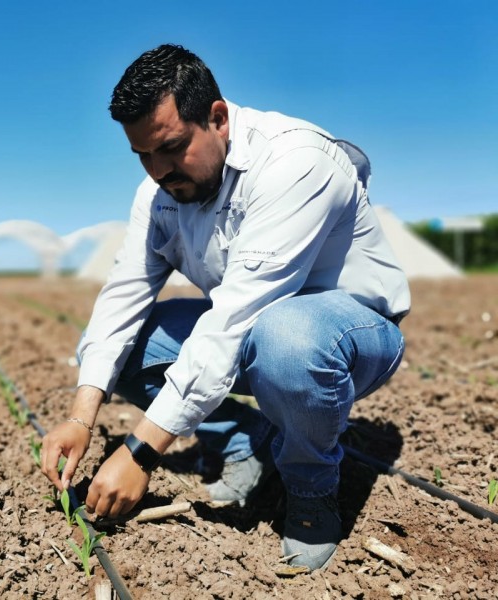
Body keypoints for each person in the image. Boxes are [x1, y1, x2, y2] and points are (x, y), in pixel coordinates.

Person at [41, 43, 410, 572]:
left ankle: (311, 492)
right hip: (257, 324)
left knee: (286, 339)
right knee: (120, 349)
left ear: (217, 117)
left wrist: (142, 450)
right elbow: (122, 295)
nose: (158, 171)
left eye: (170, 148)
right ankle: (246, 440)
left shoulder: (294, 163)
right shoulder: (160, 194)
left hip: (350, 333)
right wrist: (81, 416)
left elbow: (236, 317)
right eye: (142, 155)